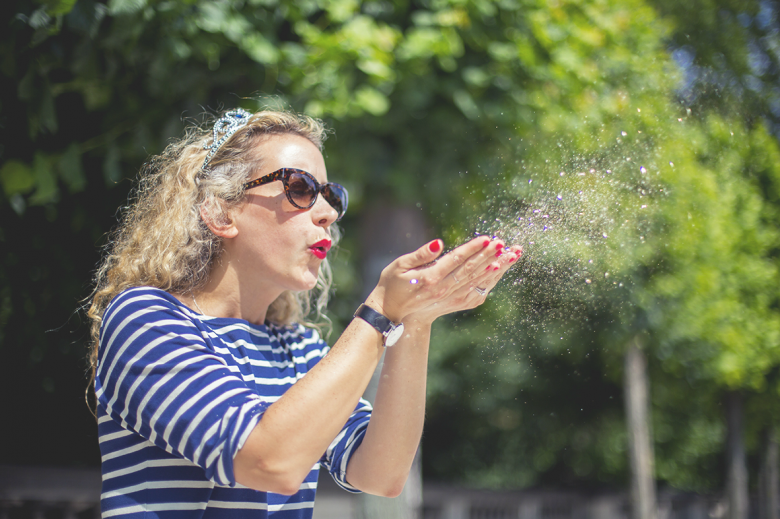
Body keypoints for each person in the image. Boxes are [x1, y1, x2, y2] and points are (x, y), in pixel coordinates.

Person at [87, 107, 522, 518]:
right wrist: (377, 313)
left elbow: (381, 474)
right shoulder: (144, 318)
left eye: (331, 195)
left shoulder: (297, 348)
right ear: (220, 210)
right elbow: (269, 461)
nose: (328, 212)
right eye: (300, 188)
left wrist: (415, 321)